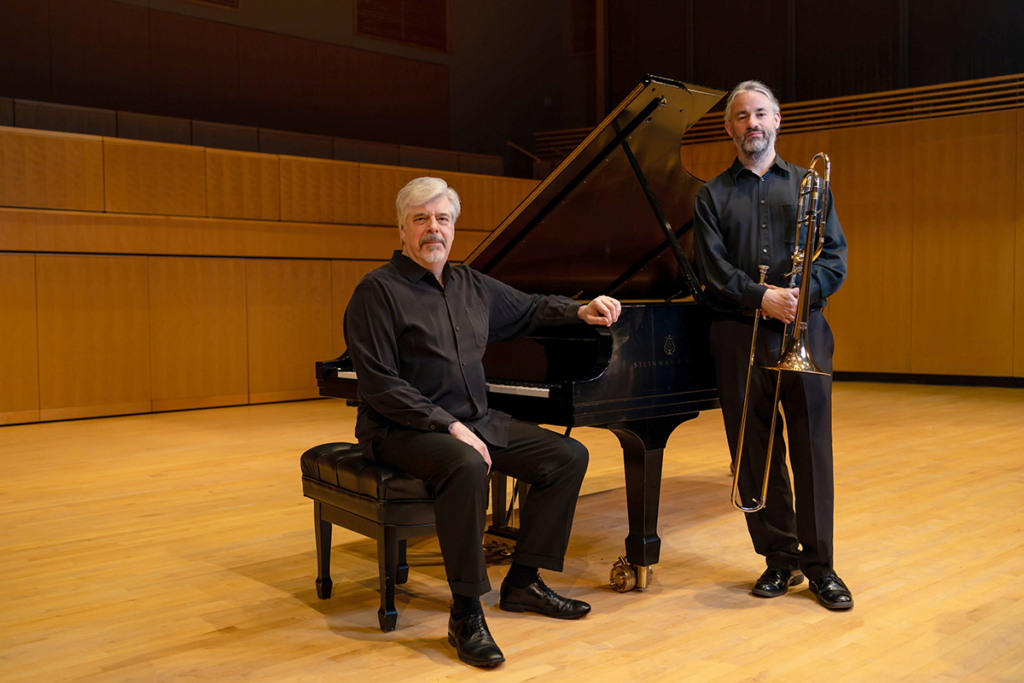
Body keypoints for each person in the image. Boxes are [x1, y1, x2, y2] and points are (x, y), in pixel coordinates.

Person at [344, 177, 622, 667]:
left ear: (454, 228)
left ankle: (524, 582)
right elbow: (379, 385)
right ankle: (466, 612)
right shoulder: (377, 292)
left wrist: (580, 309)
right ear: (403, 229)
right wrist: (447, 426)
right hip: (401, 430)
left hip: (474, 419)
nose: (434, 229)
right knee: (467, 465)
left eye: (443, 219)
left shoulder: (471, 283)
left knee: (567, 456)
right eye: (422, 219)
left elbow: (532, 308)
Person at [692, 81, 853, 610]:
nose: (751, 124)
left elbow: (834, 260)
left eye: (760, 114)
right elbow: (713, 272)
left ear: (777, 120)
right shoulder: (710, 195)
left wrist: (798, 299)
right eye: (741, 117)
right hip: (739, 335)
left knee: (811, 450)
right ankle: (778, 560)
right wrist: (763, 297)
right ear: (728, 127)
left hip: (804, 330)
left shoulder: (811, 185)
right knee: (753, 452)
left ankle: (821, 566)